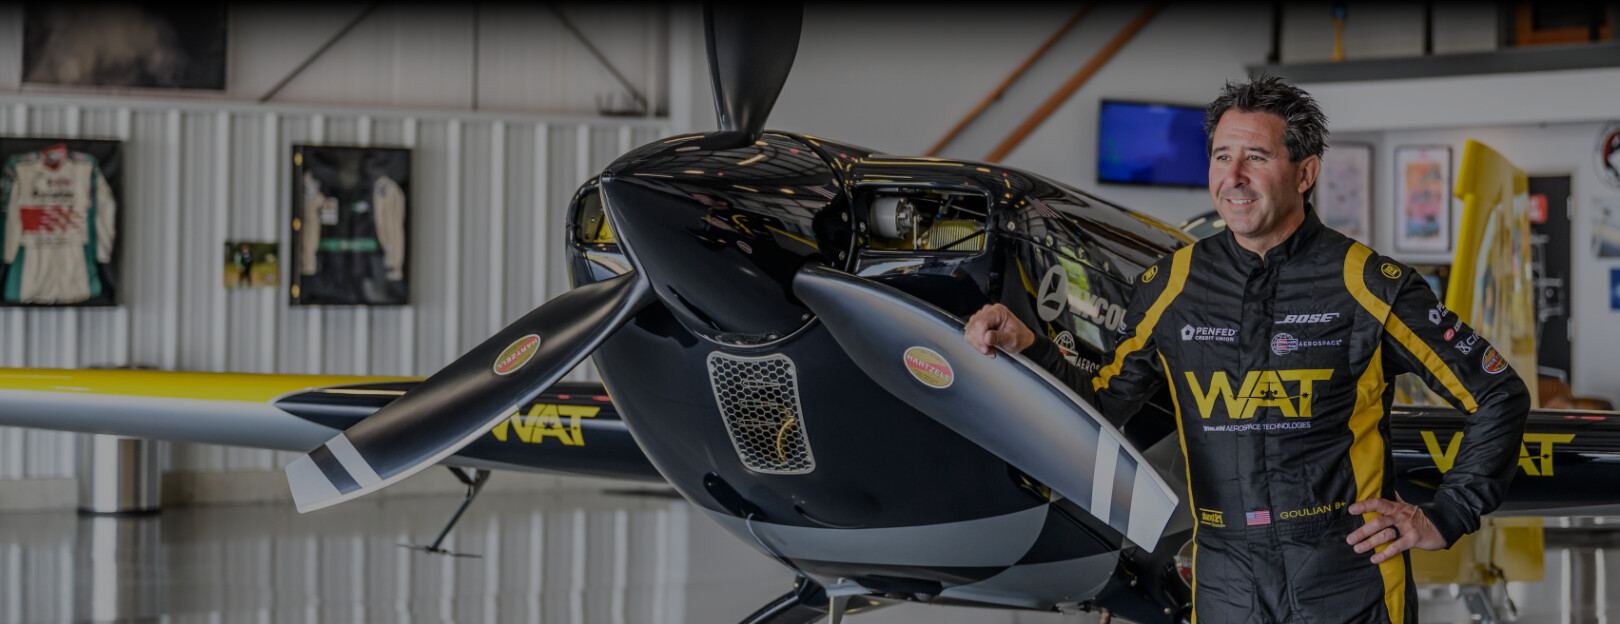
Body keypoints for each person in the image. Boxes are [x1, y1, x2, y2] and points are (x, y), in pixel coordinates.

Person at [964, 76, 1529, 623]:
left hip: (1346, 574)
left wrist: (1447, 515)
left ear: (1305, 172)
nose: (1232, 176)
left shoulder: (1371, 284)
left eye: (1255, 157)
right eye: (1220, 156)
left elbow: (1498, 392)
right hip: (1225, 577)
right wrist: (1029, 346)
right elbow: (1103, 404)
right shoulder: (1172, 285)